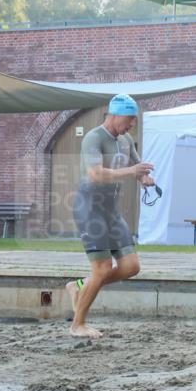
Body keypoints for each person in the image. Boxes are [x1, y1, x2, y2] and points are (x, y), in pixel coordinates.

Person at [66, 94, 156, 338]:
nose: (132, 124)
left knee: (131, 266)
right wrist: (132, 171)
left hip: (111, 211)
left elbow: (137, 168)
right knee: (103, 268)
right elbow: (96, 174)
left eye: (134, 119)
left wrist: (144, 178)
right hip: (90, 208)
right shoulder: (93, 138)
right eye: (129, 118)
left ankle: (78, 286)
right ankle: (77, 325)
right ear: (114, 115)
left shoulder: (126, 140)